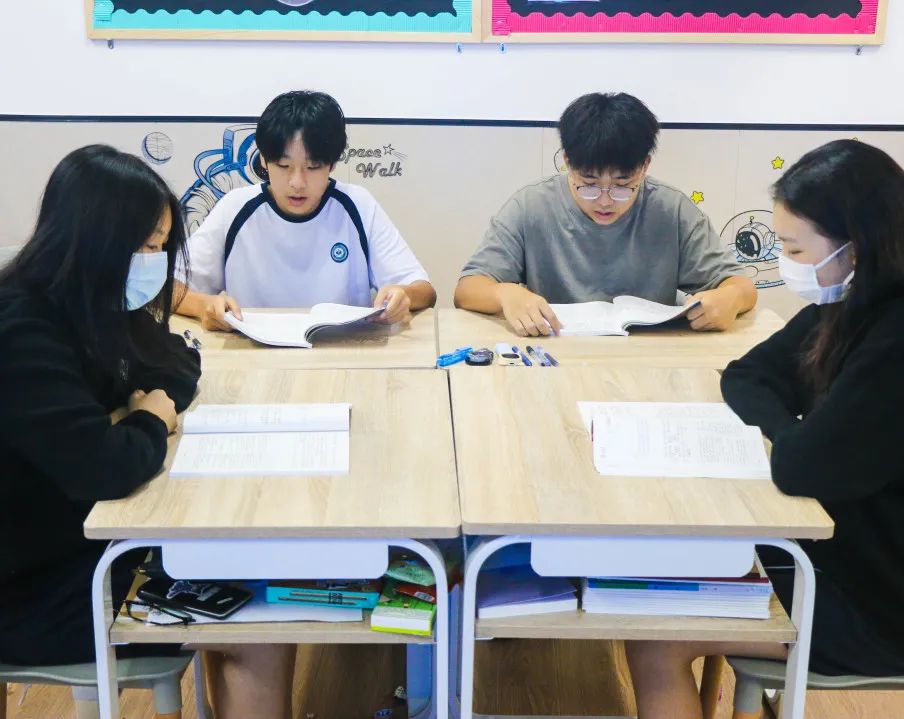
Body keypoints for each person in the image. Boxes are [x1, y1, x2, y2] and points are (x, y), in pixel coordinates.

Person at [0, 145, 294, 719]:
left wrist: (134, 415)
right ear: (94, 240)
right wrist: (150, 417)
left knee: (248, 579)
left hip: (89, 544)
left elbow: (180, 362)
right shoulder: (22, 330)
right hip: (31, 588)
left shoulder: (94, 299)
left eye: (160, 247)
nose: (153, 263)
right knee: (258, 618)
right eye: (144, 246)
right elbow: (105, 466)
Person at [625, 139, 904, 718]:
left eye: (796, 248)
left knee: (655, 634)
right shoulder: (850, 302)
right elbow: (748, 374)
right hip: (840, 551)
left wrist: (794, 434)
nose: (786, 263)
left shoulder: (891, 336)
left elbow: (799, 467)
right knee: (667, 575)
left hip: (880, 600)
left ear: (854, 247)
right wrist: (794, 427)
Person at [454, 92, 756, 336]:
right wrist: (505, 294)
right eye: (588, 184)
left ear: (645, 166)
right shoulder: (531, 206)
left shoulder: (671, 209)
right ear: (568, 162)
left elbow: (741, 286)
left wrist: (730, 298)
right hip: (555, 354)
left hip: (651, 357)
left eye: (623, 186)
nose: (605, 201)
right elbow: (468, 289)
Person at [174, 90, 436, 330]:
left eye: (312, 167)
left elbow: (424, 290)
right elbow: (170, 289)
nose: (297, 183)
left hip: (344, 351)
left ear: (332, 164)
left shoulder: (358, 204)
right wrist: (203, 305)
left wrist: (404, 296)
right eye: (283, 166)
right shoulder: (235, 208)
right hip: (253, 351)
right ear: (263, 159)